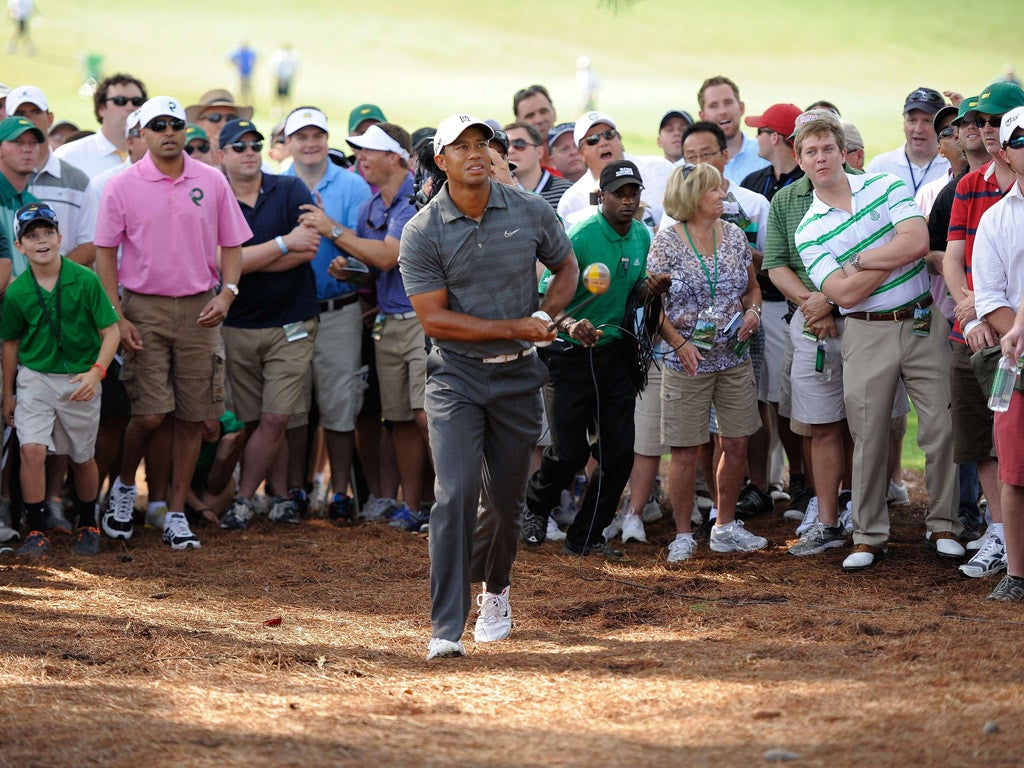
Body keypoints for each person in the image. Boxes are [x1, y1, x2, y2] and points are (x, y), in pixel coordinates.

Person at [398, 114, 578, 660]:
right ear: (441, 159)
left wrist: (545, 314)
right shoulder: (422, 232)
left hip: (520, 375)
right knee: (453, 495)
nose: (475, 153)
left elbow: (566, 268)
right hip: (456, 377)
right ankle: (445, 628)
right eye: (461, 146)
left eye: (483, 144)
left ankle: (495, 588)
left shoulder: (530, 211)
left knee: (505, 504)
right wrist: (515, 326)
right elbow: (436, 322)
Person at [793, 113, 959, 572]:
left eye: (828, 147)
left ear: (842, 150)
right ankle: (868, 536)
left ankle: (943, 525)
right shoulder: (807, 228)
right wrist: (893, 250)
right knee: (867, 435)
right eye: (812, 151)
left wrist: (859, 259)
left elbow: (919, 240)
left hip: (923, 320)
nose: (822, 157)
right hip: (865, 331)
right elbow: (841, 294)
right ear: (800, 160)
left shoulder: (883, 185)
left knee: (941, 428)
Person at [94, 96, 252, 551]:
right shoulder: (122, 185)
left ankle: (176, 513)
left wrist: (228, 291)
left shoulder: (210, 181)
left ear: (185, 130)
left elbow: (232, 242)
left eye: (175, 124)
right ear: (141, 133)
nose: (168, 132)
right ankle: (125, 487)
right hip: (143, 308)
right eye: (158, 125)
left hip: (201, 308)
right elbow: (105, 252)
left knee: (192, 415)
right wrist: (116, 315)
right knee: (147, 414)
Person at [522, 160, 667, 555]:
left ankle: (586, 537)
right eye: (618, 193)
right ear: (601, 196)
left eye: (633, 193)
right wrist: (570, 324)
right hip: (569, 355)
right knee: (569, 452)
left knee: (618, 455)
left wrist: (650, 290)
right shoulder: (582, 235)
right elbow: (545, 296)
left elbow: (632, 292)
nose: (626, 200)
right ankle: (536, 507)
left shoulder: (641, 234)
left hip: (616, 355)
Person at [647, 163, 766, 563]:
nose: (723, 194)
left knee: (736, 442)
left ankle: (725, 526)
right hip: (688, 364)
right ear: (694, 197)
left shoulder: (733, 236)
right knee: (684, 450)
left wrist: (754, 314)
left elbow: (752, 289)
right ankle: (683, 534)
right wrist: (679, 343)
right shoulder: (666, 243)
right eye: (715, 190)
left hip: (733, 357)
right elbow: (651, 306)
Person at [0, 203, 120, 559]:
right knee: (31, 450)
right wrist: (8, 392)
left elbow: (111, 332)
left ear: (59, 238)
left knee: (82, 457)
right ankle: (36, 528)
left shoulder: (85, 279)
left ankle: (88, 520)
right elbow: (10, 343)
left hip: (80, 378)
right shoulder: (19, 292)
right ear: (20, 246)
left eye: (47, 233)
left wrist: (97, 372)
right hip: (35, 378)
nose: (41, 241)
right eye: (32, 236)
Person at [216, 118, 320, 529]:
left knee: (277, 417)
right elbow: (218, 261)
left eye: (255, 144)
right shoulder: (215, 196)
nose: (249, 152)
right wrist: (281, 244)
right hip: (238, 324)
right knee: (255, 419)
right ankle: (277, 496)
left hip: (291, 322)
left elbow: (308, 246)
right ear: (221, 154)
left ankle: (243, 500)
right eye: (238, 147)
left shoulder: (291, 187)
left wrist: (240, 262)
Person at [943, 82, 1024, 579]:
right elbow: (973, 278)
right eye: (988, 124)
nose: (991, 132)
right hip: (1002, 347)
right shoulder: (982, 201)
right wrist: (975, 317)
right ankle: (1009, 555)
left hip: (1011, 340)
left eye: (999, 124)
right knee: (1002, 455)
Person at [331, 122, 429, 526]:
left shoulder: (419, 201)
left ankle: (452, 502)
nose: (360, 159)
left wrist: (331, 231)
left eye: (368, 151)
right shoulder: (368, 209)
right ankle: (412, 505)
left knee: (427, 416)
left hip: (423, 323)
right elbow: (373, 271)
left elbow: (389, 256)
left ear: (396, 157)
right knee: (400, 420)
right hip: (387, 322)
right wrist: (349, 271)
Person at [283, 106, 372, 522]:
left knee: (339, 404)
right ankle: (295, 490)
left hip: (340, 307)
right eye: (301, 136)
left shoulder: (353, 186)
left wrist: (329, 228)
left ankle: (340, 493)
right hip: (290, 309)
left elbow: (365, 252)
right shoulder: (278, 184)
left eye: (317, 134)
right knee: (295, 407)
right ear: (287, 143)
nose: (310, 143)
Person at [969, 106, 1024, 600]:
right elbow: (989, 299)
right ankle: (1018, 574)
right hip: (1019, 361)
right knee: (1014, 470)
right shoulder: (995, 218)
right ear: (1004, 152)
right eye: (1020, 139)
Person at [557, 111, 672, 230]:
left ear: (620, 139)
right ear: (581, 153)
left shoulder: (661, 169)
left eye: (609, 134)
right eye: (592, 140)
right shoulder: (570, 201)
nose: (603, 142)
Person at [55, 74, 147, 179]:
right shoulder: (68, 157)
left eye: (137, 102)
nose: (130, 107)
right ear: (102, 108)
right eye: (120, 101)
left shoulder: (157, 157)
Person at [866, 87, 951, 196]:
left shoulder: (952, 165)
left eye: (927, 121)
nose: (918, 129)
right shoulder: (880, 166)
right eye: (912, 120)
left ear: (940, 126)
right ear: (904, 123)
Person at [697, 76, 770, 184]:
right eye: (713, 106)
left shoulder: (766, 154)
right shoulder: (689, 165)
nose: (722, 111)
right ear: (702, 116)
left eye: (728, 103)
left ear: (741, 108)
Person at [504, 121, 571, 209]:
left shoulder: (567, 191)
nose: (510, 150)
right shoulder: (496, 195)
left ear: (539, 152)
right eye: (505, 146)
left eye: (519, 144)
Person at [184, 89, 253, 155]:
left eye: (231, 118)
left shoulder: (250, 158)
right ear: (198, 123)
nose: (224, 124)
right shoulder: (187, 156)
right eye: (214, 118)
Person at [269, 44, 300, 115]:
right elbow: (275, 68)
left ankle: (286, 110)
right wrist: (278, 77)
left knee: (287, 95)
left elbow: (295, 68)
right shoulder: (279, 57)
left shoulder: (292, 57)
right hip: (280, 78)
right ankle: (278, 110)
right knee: (278, 95)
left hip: (288, 78)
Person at [227, 41, 257, 105]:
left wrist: (252, 64)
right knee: (240, 90)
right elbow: (229, 59)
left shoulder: (250, 53)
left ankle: (250, 104)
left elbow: (255, 58)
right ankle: (241, 103)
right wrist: (236, 64)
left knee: (249, 89)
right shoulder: (238, 53)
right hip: (240, 74)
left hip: (248, 74)